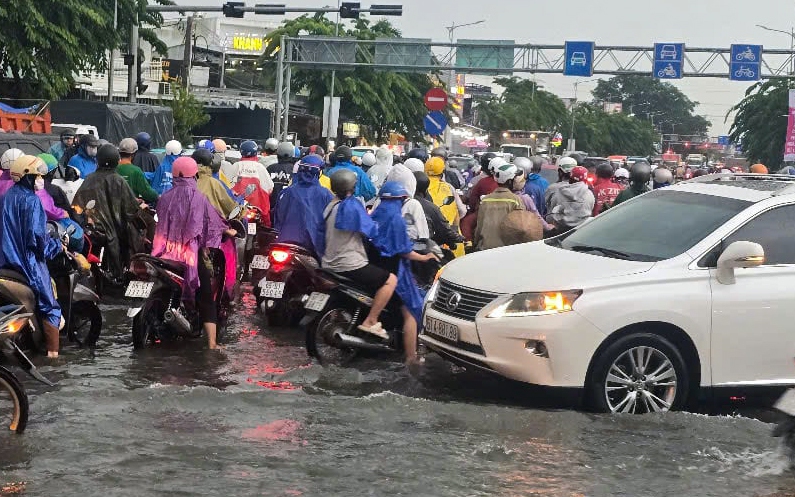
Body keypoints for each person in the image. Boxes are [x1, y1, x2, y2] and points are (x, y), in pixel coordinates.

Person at [152, 156, 236, 350]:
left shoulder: (164, 197)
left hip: (163, 253)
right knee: (206, 294)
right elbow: (212, 223)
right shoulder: (199, 198)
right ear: (194, 175)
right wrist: (227, 230)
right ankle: (212, 344)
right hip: (188, 254)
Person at [1, 155, 63, 358]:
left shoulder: (6, 197)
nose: (40, 180)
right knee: (50, 307)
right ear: (27, 176)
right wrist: (56, 246)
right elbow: (38, 240)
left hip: (5, 262)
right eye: (37, 176)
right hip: (28, 263)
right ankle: (53, 356)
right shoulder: (32, 201)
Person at [370, 181, 437, 365]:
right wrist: (425, 258)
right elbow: (404, 250)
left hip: (376, 267)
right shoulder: (396, 219)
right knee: (411, 311)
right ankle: (411, 357)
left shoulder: (375, 215)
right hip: (396, 272)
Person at [72, 144, 146, 282]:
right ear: (116, 161)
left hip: (91, 232)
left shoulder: (89, 179)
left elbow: (77, 207)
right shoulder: (118, 181)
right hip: (114, 234)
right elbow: (131, 210)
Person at [194, 149, 241, 298]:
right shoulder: (214, 183)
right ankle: (224, 292)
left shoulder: (180, 185)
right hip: (209, 235)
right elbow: (230, 207)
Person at [273, 154, 334, 259]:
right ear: (318, 173)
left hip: (284, 242)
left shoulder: (286, 192)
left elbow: (277, 217)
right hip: (313, 247)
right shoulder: (326, 195)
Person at [474, 160, 526, 250]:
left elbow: (479, 227)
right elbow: (521, 227)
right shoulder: (516, 200)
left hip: (485, 248)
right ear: (509, 181)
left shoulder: (485, 200)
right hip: (507, 249)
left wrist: (476, 242)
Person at [381, 161, 430, 242]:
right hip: (404, 247)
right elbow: (423, 234)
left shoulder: (380, 200)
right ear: (410, 182)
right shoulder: (413, 204)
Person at [414, 172, 462, 249]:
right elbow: (445, 230)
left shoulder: (403, 202)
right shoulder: (430, 207)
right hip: (424, 248)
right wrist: (460, 238)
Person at [233, 140, 273, 225]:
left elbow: (227, 186)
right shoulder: (260, 167)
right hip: (257, 209)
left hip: (238, 209)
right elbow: (269, 188)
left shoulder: (236, 166)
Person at [547, 166, 595, 233]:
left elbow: (552, 209)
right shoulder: (589, 194)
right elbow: (591, 209)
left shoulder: (559, 192)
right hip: (581, 229)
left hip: (561, 230)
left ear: (570, 177)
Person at [116, 138, 159, 205]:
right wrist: (158, 196)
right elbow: (146, 192)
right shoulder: (136, 171)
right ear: (134, 154)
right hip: (130, 209)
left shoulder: (113, 169)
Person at [268, 142, 297, 209]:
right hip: (288, 208)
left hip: (271, 207)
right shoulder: (295, 170)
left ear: (277, 154)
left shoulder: (270, 168)